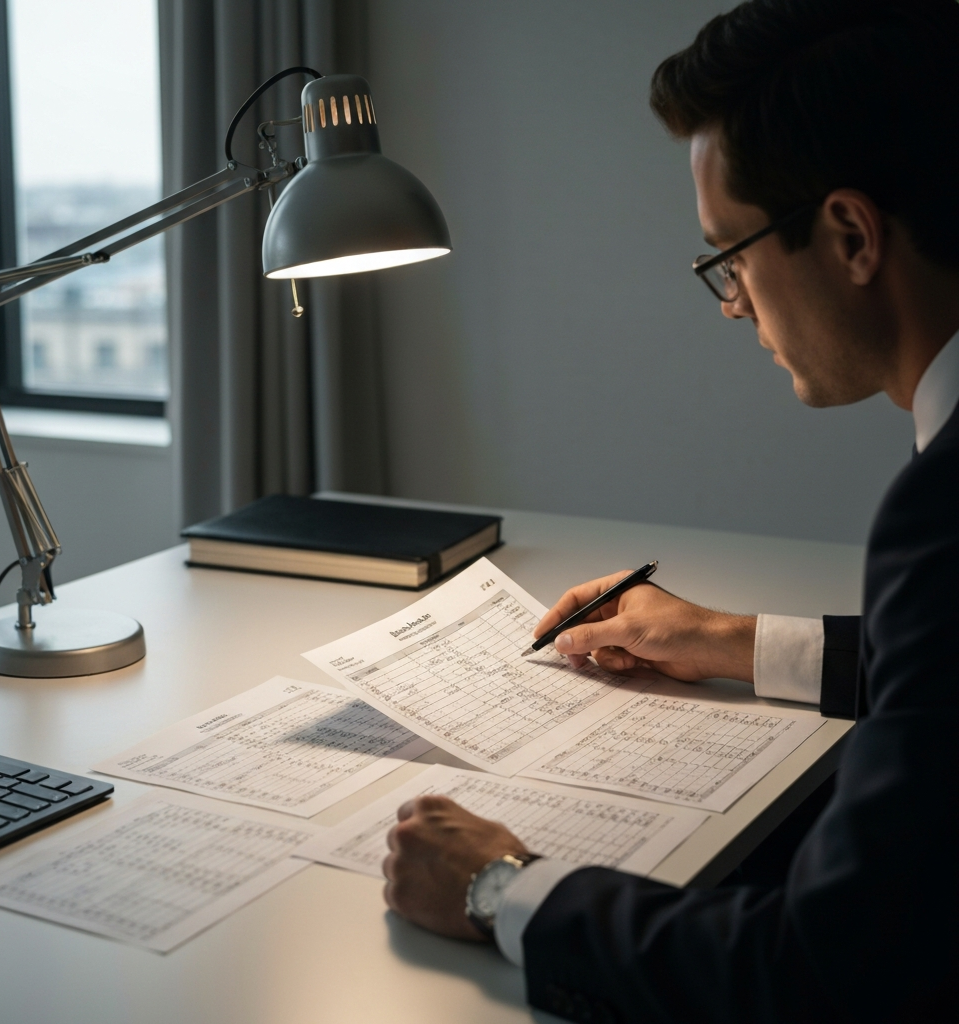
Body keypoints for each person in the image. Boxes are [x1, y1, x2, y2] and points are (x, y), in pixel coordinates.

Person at [379, 1, 959, 1021]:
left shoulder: (945, 511)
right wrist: (723, 640)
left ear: (851, 235)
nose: (734, 303)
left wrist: (497, 886)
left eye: (728, 258)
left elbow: (816, 972)